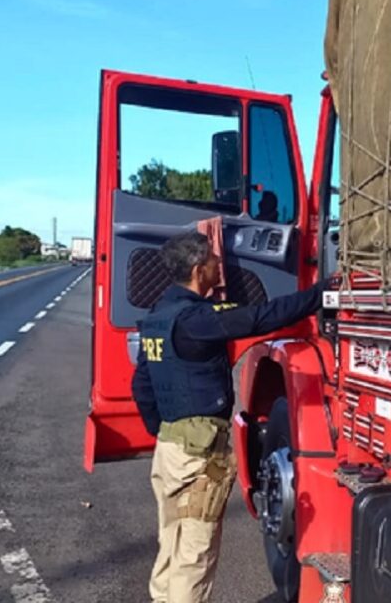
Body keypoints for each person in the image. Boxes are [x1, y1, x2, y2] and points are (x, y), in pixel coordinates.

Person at [132, 231, 324, 603]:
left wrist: (165, 428)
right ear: (197, 268)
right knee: (196, 553)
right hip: (199, 450)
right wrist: (320, 294)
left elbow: (142, 384)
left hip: (170, 447)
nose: (219, 268)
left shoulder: (157, 318)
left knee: (171, 541)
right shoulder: (195, 319)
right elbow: (260, 318)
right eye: (214, 262)